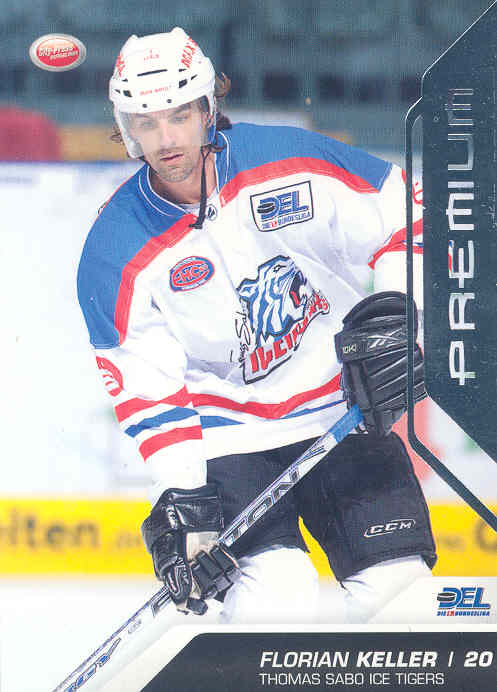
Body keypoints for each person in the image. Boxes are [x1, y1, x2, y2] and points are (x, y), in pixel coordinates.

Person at [77, 27, 436, 624]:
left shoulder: (287, 160)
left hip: (341, 411)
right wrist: (185, 504)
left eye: (179, 115)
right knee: (275, 601)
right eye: (147, 123)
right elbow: (148, 392)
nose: (166, 139)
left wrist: (398, 317)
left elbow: (407, 214)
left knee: (402, 597)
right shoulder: (113, 251)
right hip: (229, 439)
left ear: (207, 107)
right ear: (126, 128)